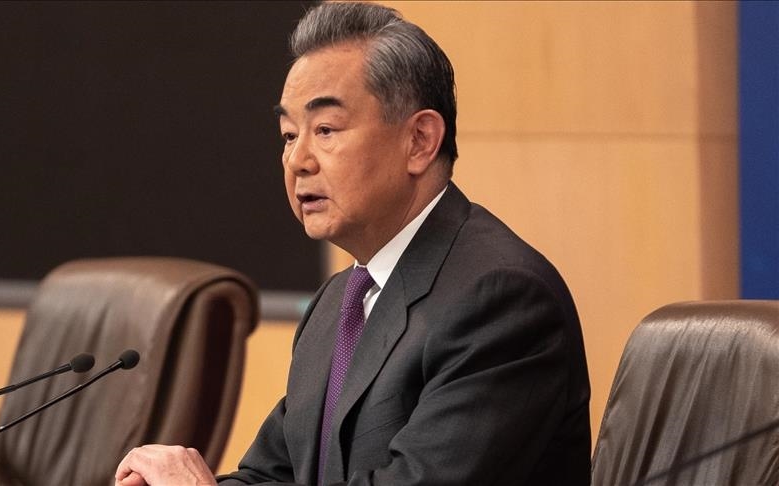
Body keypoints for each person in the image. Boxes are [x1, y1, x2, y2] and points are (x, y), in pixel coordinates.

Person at [115, 2, 591, 485]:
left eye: (325, 130)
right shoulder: (338, 303)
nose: (297, 160)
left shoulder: (501, 300)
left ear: (420, 141)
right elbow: (275, 475)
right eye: (288, 135)